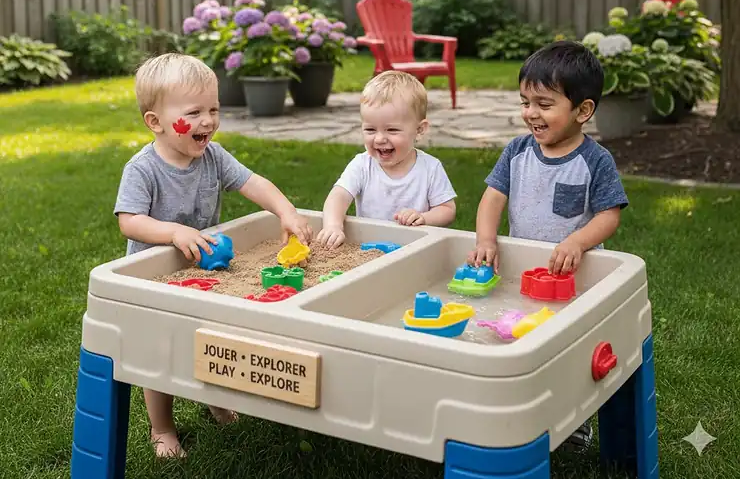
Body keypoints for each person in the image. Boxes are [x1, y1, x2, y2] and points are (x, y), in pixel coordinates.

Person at [113, 53, 311, 458]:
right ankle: (162, 428)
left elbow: (254, 183)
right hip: (156, 277)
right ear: (156, 122)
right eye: (194, 112)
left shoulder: (214, 157)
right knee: (160, 352)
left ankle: (216, 398)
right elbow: (129, 221)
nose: (207, 121)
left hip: (205, 271)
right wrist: (171, 232)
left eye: (214, 109)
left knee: (214, 339)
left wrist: (286, 212)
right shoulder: (143, 169)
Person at [469, 40, 629, 449]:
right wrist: (486, 238)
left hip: (569, 276)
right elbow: (493, 197)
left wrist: (578, 240)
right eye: (525, 102)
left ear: (583, 111)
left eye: (543, 104)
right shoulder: (518, 151)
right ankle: (520, 406)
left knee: (568, 348)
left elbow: (610, 213)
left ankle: (574, 417)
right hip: (524, 268)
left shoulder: (595, 161)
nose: (530, 114)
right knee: (522, 337)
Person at [317, 71, 456, 248]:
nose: (380, 139)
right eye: (370, 130)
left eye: (392, 130)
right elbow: (338, 197)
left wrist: (424, 217)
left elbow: (447, 210)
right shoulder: (362, 165)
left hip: (415, 249)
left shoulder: (430, 168)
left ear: (419, 130)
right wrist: (333, 226)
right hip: (369, 248)